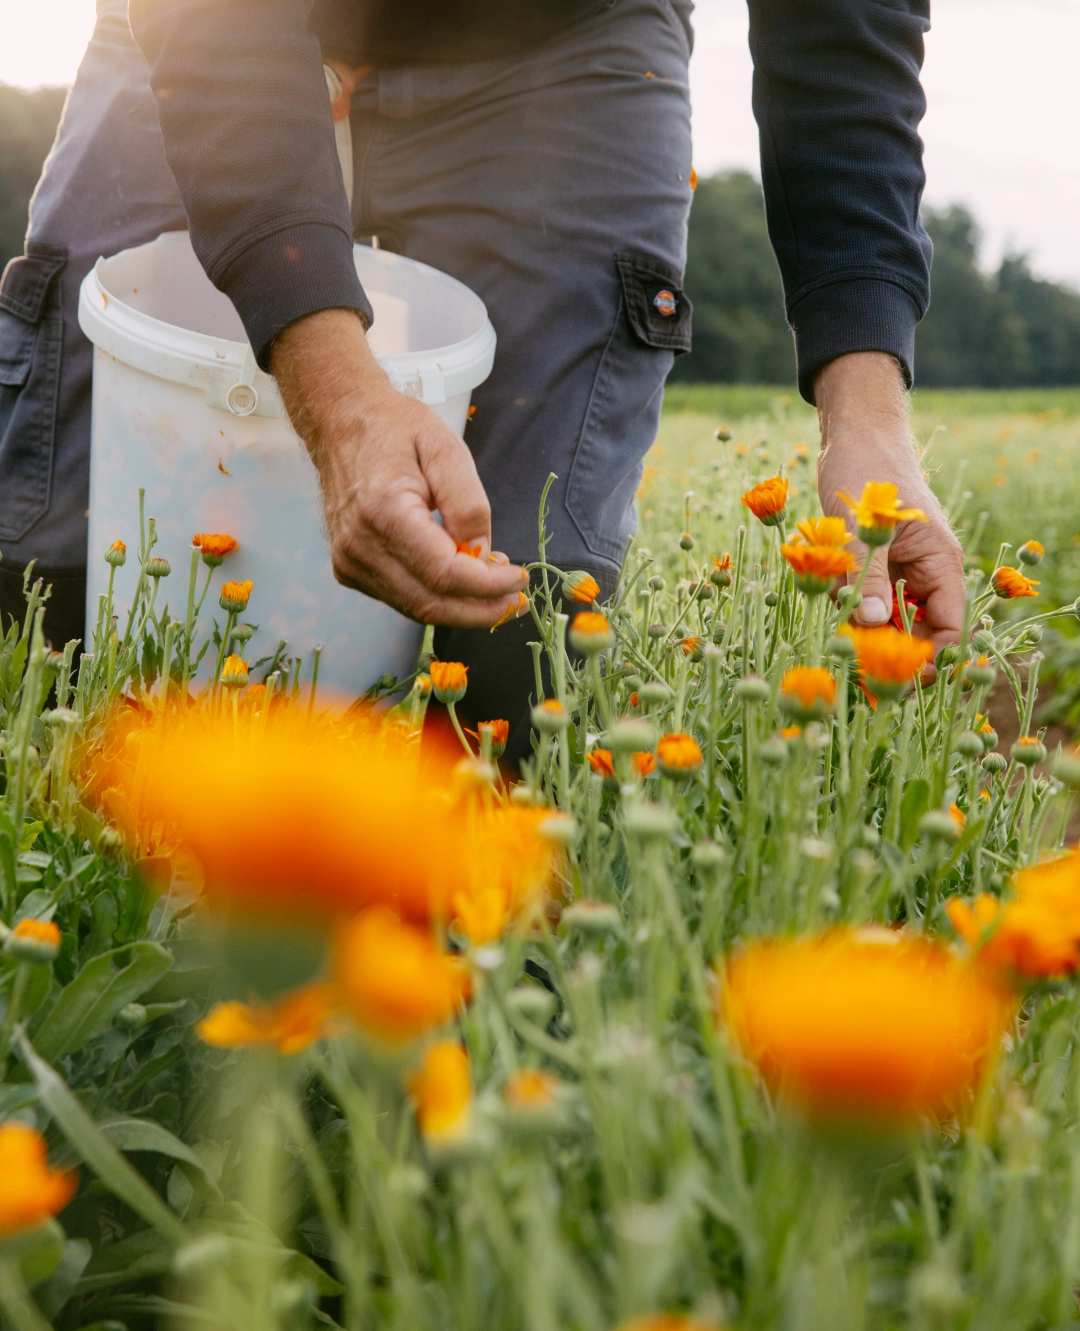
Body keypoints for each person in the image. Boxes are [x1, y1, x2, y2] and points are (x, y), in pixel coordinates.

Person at [0, 0, 962, 762]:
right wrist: (337, 399)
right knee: (62, 565)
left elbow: (843, 29)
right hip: (216, 24)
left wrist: (866, 417)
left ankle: (457, 959)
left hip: (575, 41)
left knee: (521, 607)